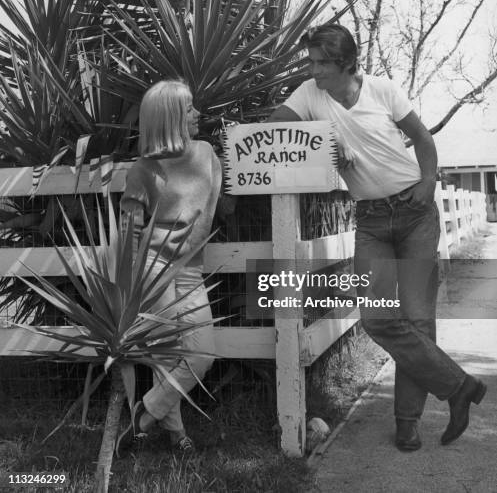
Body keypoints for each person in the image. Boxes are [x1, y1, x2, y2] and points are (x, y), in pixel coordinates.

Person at [267, 23, 486, 451]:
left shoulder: (382, 90)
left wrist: (428, 182)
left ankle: (407, 422)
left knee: (419, 322)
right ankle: (458, 386)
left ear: (346, 64)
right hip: (370, 220)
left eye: (321, 63)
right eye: (310, 62)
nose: (313, 71)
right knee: (377, 318)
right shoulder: (311, 94)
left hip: (415, 214)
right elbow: (276, 126)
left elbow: (423, 139)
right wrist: (325, 138)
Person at [120, 79, 222, 453]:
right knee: (165, 355)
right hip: (152, 268)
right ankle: (177, 434)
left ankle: (143, 416)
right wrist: (132, 285)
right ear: (171, 118)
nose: (197, 114)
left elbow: (210, 211)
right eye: (189, 109)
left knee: (201, 352)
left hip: (189, 269)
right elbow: (130, 230)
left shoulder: (207, 154)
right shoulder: (143, 169)